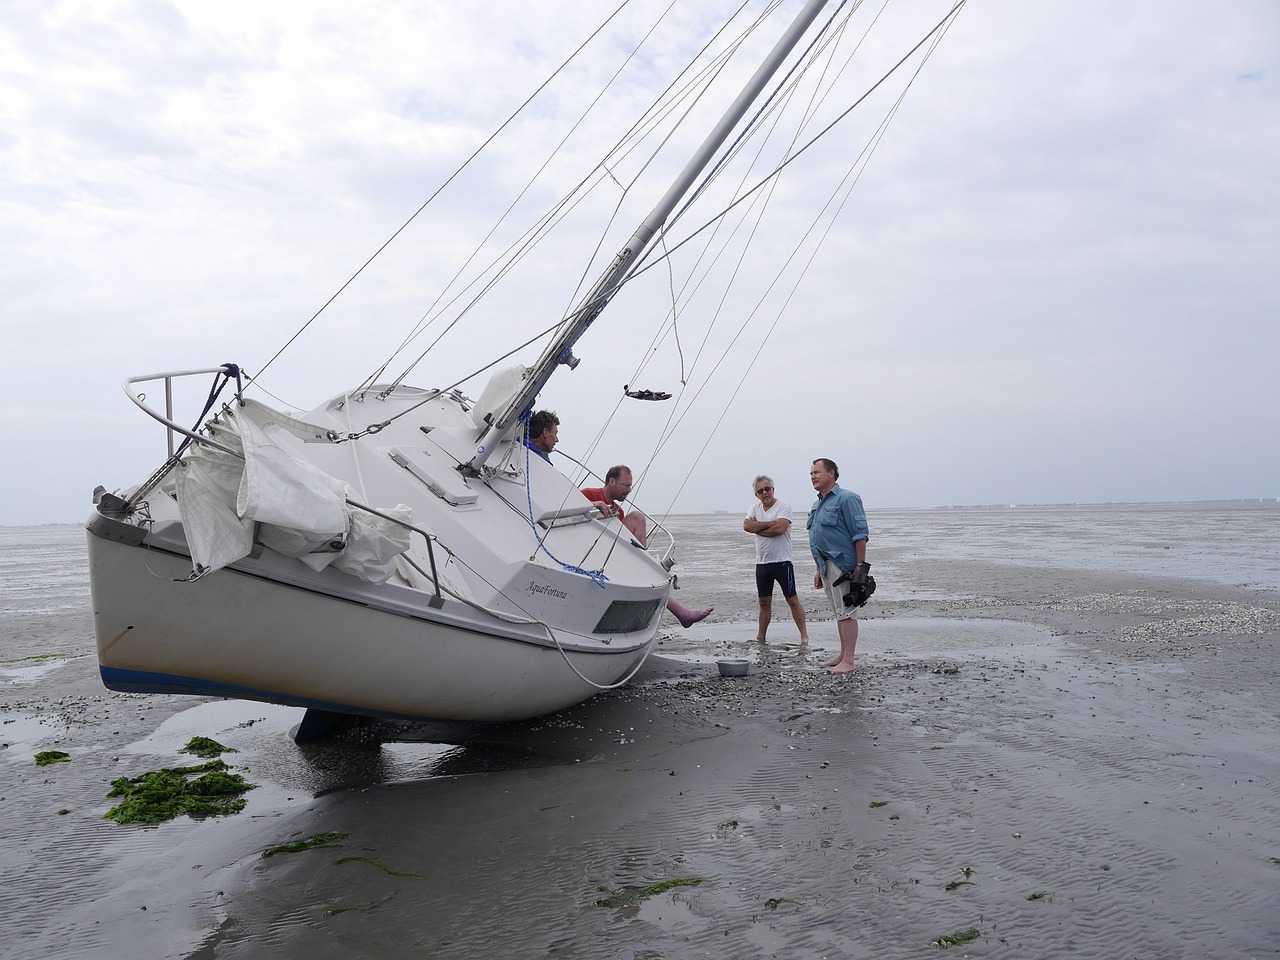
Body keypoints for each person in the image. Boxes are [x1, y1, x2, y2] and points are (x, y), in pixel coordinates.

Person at [581, 464, 713, 629]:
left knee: (637, 519)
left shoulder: (618, 511)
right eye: (626, 485)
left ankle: (644, 566)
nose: (629, 490)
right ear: (612, 481)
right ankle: (679, 610)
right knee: (637, 517)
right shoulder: (589, 494)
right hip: (588, 549)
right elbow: (566, 507)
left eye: (631, 486)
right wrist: (595, 504)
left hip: (611, 554)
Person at [807, 457, 870, 674]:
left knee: (847, 611)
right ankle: (843, 655)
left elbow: (860, 533)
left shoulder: (847, 498)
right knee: (838, 612)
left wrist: (860, 565)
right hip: (825, 564)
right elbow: (819, 539)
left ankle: (849, 661)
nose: (813, 476)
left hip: (844, 565)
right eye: (811, 474)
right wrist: (818, 569)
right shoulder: (818, 504)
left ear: (831, 473)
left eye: (817, 472)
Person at [743, 475, 809, 645]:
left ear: (773, 490)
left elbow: (780, 529)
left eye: (767, 489)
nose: (765, 492)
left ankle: (804, 636)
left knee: (792, 600)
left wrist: (759, 528)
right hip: (762, 563)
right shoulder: (754, 508)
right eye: (760, 491)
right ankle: (761, 637)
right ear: (756, 494)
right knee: (764, 602)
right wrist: (768, 524)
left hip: (782, 562)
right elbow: (747, 526)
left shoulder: (784, 506)